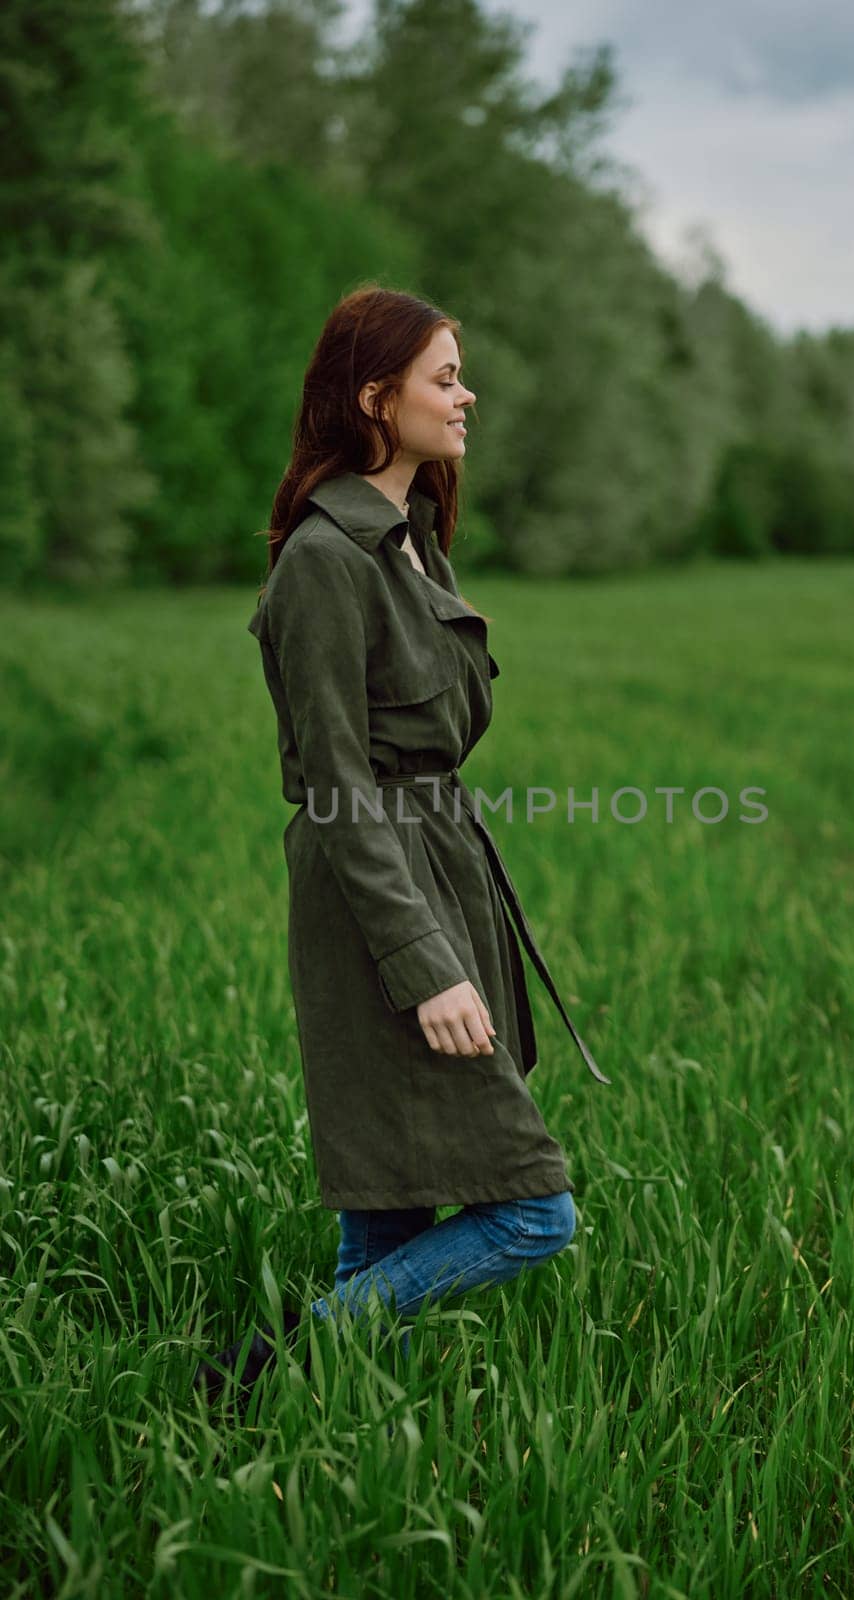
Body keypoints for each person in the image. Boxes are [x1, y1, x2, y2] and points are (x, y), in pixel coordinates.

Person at [194, 284, 610, 1407]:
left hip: (433, 861)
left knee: (388, 1195)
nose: (464, 395)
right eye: (441, 377)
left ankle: (337, 1437)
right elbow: (335, 784)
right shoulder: (325, 563)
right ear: (376, 398)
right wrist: (424, 965)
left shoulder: (413, 541)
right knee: (532, 1209)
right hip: (376, 890)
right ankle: (267, 1374)